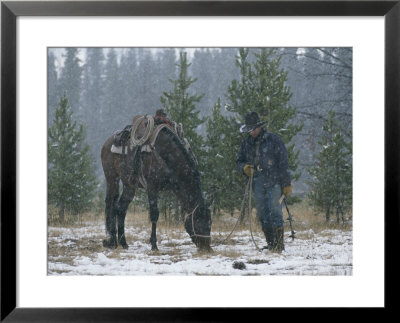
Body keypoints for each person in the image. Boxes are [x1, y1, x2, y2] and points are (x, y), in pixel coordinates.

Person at [236, 111, 293, 252]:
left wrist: (286, 183)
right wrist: (244, 168)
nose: (252, 132)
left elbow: (284, 163)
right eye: (249, 129)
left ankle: (279, 246)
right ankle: (271, 243)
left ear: (260, 127)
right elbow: (239, 161)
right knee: (262, 213)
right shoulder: (246, 144)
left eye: (253, 129)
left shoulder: (274, 140)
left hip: (274, 181)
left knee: (275, 212)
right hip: (257, 183)